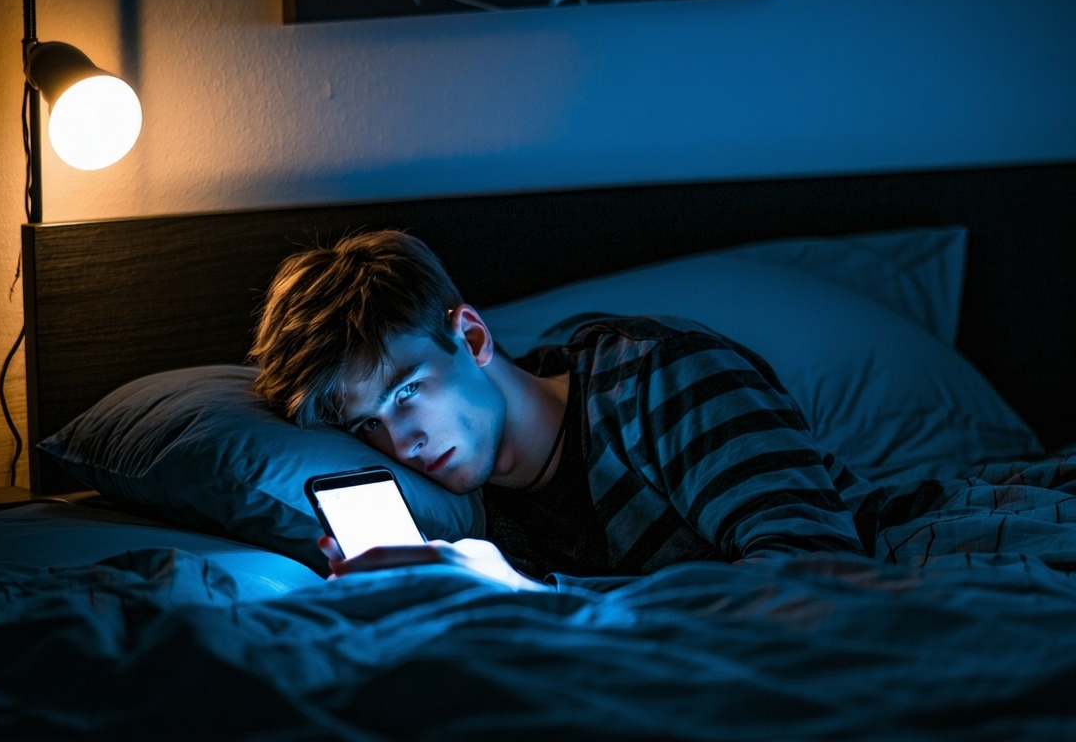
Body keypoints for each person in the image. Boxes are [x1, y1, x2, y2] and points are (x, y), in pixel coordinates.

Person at [249, 229, 871, 588]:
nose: (402, 442)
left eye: (407, 391)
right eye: (368, 425)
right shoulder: (466, 514)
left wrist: (509, 589)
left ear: (471, 337)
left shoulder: (659, 375)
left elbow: (819, 572)